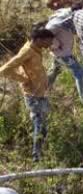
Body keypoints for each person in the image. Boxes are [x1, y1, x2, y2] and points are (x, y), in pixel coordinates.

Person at [0, 27, 55, 161]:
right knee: (39, 124)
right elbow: (4, 69)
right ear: (38, 40)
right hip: (33, 95)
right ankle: (36, 156)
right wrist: (23, 79)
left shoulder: (36, 49)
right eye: (48, 41)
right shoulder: (27, 51)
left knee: (44, 124)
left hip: (40, 93)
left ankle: (43, 151)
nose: (50, 44)